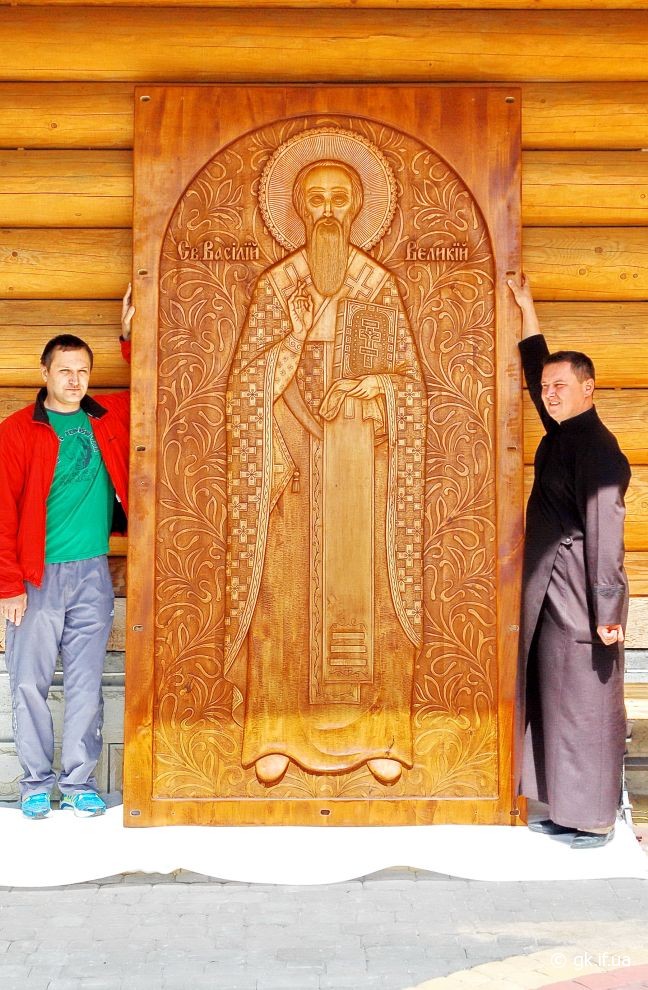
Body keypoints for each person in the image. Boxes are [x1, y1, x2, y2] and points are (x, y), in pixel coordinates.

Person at [225, 160, 427, 786]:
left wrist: (377, 387)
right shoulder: (277, 286)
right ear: (298, 209)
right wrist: (296, 336)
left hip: (363, 469)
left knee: (377, 591)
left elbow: (411, 385)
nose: (329, 211)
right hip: (289, 463)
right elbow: (245, 386)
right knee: (280, 590)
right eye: (316, 199)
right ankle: (274, 734)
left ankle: (383, 736)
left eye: (340, 198)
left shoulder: (377, 286)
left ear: (359, 207)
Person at [0, 286, 134, 819]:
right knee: (28, 681)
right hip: (36, 576)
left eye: (82, 371)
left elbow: (156, 384)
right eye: (64, 371)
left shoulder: (108, 417)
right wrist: (8, 585)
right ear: (45, 373)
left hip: (93, 574)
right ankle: (36, 782)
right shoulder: (17, 431)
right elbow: (2, 512)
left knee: (84, 682)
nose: (75, 380)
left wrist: (130, 337)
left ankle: (79, 783)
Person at [509, 274, 630, 849]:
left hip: (582, 595)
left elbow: (607, 529)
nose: (550, 393)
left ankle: (596, 818)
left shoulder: (597, 448)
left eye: (561, 385)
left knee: (585, 702)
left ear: (589, 388)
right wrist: (526, 307)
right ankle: (565, 808)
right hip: (553, 591)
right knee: (555, 697)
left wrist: (608, 610)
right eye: (546, 387)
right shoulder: (563, 433)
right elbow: (538, 366)